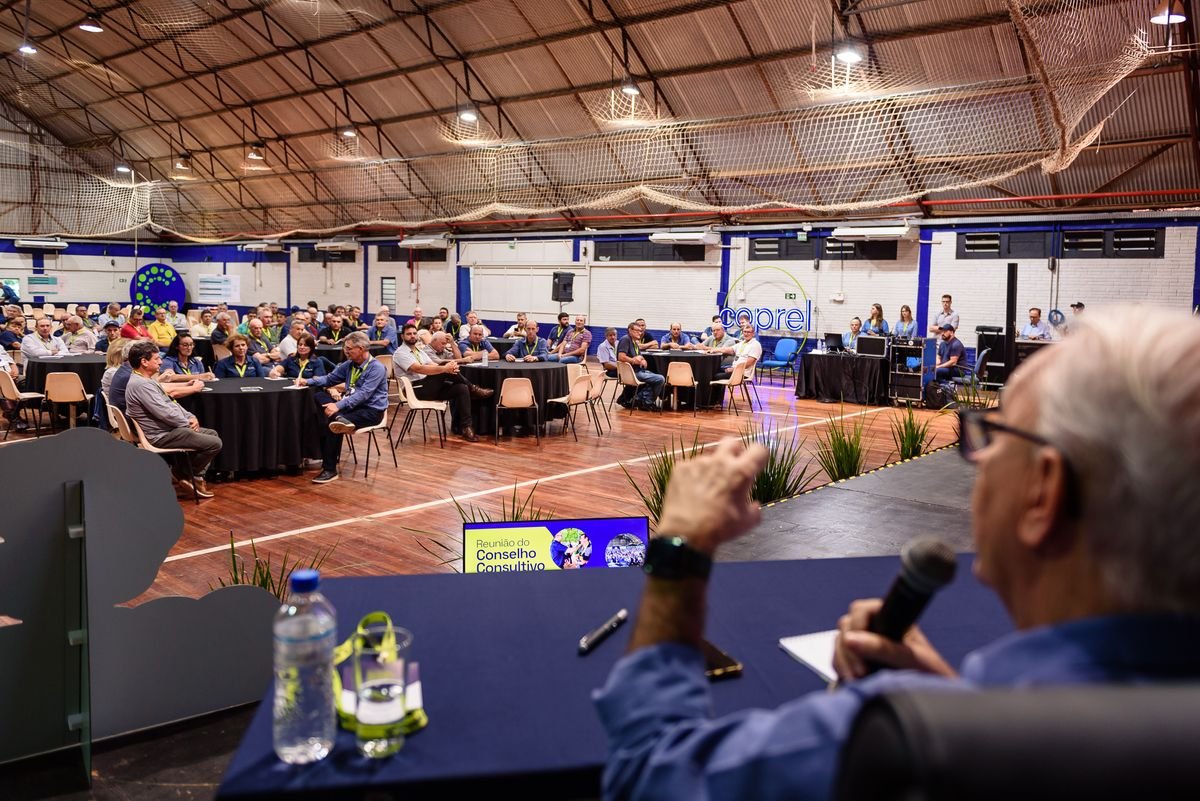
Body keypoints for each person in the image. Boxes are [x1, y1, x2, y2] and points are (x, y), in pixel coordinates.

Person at [595, 306, 1200, 801]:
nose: (978, 457)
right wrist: (950, 692)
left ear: (1044, 491)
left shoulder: (893, 742)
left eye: (993, 434)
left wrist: (679, 547)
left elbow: (648, 772)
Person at [124, 341, 219, 499]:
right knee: (215, 443)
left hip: (168, 430)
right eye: (156, 359)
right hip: (160, 435)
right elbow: (165, 413)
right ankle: (187, 475)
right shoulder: (141, 385)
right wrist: (186, 423)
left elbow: (171, 403)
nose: (161, 362)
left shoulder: (146, 380)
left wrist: (190, 416)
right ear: (144, 362)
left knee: (212, 434)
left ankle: (189, 476)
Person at [293, 332, 387, 484]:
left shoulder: (376, 368)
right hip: (351, 408)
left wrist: (337, 405)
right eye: (345, 348)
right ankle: (339, 418)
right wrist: (308, 381)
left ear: (361, 349)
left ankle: (330, 470)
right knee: (318, 394)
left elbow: (363, 395)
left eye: (349, 348)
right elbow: (330, 379)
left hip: (371, 411)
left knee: (333, 425)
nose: (345, 351)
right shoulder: (349, 364)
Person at [393, 323, 491, 442]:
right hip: (414, 389)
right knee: (444, 368)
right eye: (409, 334)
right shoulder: (401, 353)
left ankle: (466, 427)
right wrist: (445, 368)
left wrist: (449, 367)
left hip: (428, 387)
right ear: (402, 336)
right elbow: (419, 368)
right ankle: (474, 389)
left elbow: (433, 365)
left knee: (461, 388)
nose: (412, 336)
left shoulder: (419, 351)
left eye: (414, 333)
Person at [617, 321, 664, 410]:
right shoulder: (625, 339)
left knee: (659, 376)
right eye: (637, 331)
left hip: (638, 370)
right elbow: (621, 357)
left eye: (641, 331)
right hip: (631, 373)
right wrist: (633, 360)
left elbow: (639, 355)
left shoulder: (635, 342)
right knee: (660, 379)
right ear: (630, 330)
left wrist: (643, 360)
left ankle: (639, 399)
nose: (640, 333)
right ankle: (646, 401)